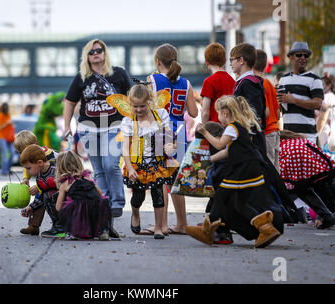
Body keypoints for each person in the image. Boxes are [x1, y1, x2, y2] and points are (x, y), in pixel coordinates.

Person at [187, 95, 284, 248]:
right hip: (251, 168)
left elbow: (219, 145)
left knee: (220, 195)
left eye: (218, 113)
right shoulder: (239, 126)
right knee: (240, 203)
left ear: (225, 113)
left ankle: (207, 231)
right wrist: (209, 160)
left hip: (244, 169)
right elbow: (227, 151)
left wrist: (205, 132)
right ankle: (266, 228)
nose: (218, 117)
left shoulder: (232, 127)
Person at [62, 39, 132, 219]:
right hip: (88, 128)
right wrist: (66, 126)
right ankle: (105, 201)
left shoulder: (119, 73)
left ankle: (117, 202)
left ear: (104, 53)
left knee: (111, 165)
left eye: (98, 50)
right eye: (91, 52)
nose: (95, 54)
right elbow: (69, 102)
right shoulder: (82, 77)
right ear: (86, 56)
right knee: (99, 169)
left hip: (114, 127)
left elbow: (132, 98)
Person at [147, 43, 198, 235]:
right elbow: (193, 112)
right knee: (176, 180)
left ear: (157, 61)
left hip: (160, 132)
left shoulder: (153, 79)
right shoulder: (186, 83)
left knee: (160, 179)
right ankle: (182, 224)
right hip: (180, 134)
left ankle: (163, 224)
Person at [121, 84, 178, 239]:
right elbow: (126, 148)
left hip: (158, 163)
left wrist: (171, 146)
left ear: (150, 102)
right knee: (138, 197)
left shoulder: (161, 115)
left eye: (142, 106)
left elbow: (170, 137)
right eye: (135, 106)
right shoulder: (129, 121)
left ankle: (159, 227)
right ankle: (135, 214)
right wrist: (130, 168)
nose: (138, 110)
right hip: (137, 166)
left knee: (158, 194)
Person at [279, 130, 335, 228]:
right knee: (312, 186)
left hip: (334, 186)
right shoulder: (301, 141)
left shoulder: (282, 144)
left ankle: (327, 216)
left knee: (301, 188)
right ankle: (329, 215)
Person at [55, 151, 112, 240]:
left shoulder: (65, 183)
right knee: (102, 204)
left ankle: (74, 232)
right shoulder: (87, 177)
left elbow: (58, 207)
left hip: (79, 211)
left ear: (60, 168)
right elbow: (100, 195)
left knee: (69, 206)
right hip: (96, 209)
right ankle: (103, 231)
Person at [13, 130, 59, 236]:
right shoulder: (30, 157)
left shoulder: (50, 156)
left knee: (42, 196)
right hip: (44, 184)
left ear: (35, 145)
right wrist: (26, 178)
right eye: (21, 153)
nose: (24, 155)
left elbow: (54, 177)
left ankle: (58, 225)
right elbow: (26, 166)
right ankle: (33, 226)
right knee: (38, 198)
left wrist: (39, 187)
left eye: (25, 150)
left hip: (56, 185)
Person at [277, 42, 324, 143]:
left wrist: (294, 100)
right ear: (291, 57)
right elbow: (280, 107)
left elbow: (318, 104)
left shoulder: (314, 79)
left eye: (306, 55)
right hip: (287, 135)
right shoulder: (283, 79)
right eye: (299, 55)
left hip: (307, 136)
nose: (303, 58)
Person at [19, 144, 64, 238]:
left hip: (72, 203)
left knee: (51, 195)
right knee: (47, 195)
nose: (27, 172)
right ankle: (58, 226)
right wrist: (31, 207)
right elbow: (42, 196)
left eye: (28, 168)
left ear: (40, 163)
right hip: (58, 201)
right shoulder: (40, 175)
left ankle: (63, 227)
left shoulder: (55, 170)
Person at [230, 43, 267, 155]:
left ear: (241, 60)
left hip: (251, 140)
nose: (230, 63)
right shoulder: (248, 82)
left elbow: (255, 112)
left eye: (231, 60)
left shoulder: (248, 83)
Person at [254, 49, 280, 171]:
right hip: (275, 130)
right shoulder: (269, 83)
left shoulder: (259, 84)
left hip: (267, 131)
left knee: (268, 167)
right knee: (275, 167)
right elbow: (278, 113)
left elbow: (266, 111)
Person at [200, 42, 236, 124]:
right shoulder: (233, 81)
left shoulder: (209, 81)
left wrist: (204, 130)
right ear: (225, 61)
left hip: (214, 129)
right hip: (231, 128)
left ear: (206, 62)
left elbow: (205, 111)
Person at [316, 73, 335, 162]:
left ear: (329, 86)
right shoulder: (332, 97)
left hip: (326, 132)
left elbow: (323, 117)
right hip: (327, 131)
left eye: (322, 84)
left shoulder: (327, 97)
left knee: (328, 157)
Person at [0, 103, 16, 175]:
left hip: (9, 138)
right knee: (5, 154)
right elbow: (0, 127)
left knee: (12, 153)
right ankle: (4, 171)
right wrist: (7, 123)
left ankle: (8, 168)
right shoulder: (0, 115)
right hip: (2, 137)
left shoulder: (8, 115)